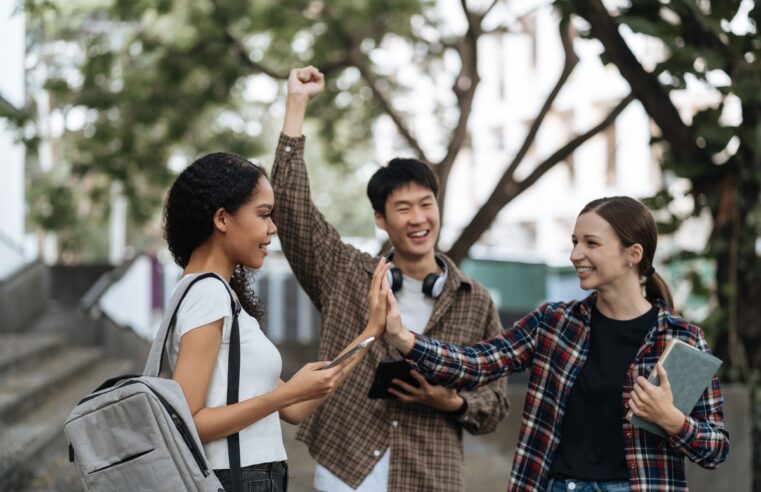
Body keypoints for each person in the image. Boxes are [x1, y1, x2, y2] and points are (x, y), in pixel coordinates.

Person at [385, 195, 729, 492]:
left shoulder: (681, 339)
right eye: (574, 242)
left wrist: (672, 420)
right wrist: (405, 339)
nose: (575, 254)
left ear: (633, 253)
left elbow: (715, 449)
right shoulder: (553, 323)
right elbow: (476, 363)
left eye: (591, 243)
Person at [270, 66, 509, 491]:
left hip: (431, 474)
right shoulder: (345, 272)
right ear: (380, 219)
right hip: (346, 467)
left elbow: (495, 403)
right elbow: (290, 209)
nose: (418, 219)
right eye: (403, 208)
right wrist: (297, 103)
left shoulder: (476, 300)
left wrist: (449, 400)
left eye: (426, 204)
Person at [162, 151, 390, 492]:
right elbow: (189, 421)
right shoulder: (206, 294)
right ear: (222, 218)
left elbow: (296, 407)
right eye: (264, 215)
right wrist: (282, 397)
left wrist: (371, 332)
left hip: (253, 475)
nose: (273, 228)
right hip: (234, 478)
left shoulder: (218, 294)